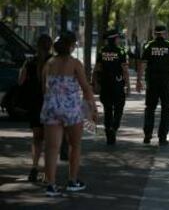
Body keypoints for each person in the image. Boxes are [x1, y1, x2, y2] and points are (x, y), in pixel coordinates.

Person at [40, 32, 97, 197]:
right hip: (71, 109)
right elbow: (86, 88)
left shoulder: (48, 63)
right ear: (71, 46)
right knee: (75, 145)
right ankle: (72, 181)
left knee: (51, 148)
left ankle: (50, 185)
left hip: (51, 108)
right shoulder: (75, 64)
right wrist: (92, 108)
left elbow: (45, 88)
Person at [136, 25, 169, 146]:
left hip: (152, 82)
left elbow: (142, 64)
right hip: (166, 81)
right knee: (166, 109)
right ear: (165, 33)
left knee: (150, 108)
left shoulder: (148, 45)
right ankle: (162, 138)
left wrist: (139, 80)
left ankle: (147, 135)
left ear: (154, 34)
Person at [19, 34, 53, 182]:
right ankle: (46, 173)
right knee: (50, 141)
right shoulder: (53, 61)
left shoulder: (30, 62)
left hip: (34, 104)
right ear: (50, 46)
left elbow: (20, 82)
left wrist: (24, 66)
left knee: (37, 139)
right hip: (49, 104)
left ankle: (34, 168)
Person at [93, 29, 130, 145]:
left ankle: (108, 130)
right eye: (118, 38)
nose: (119, 39)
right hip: (117, 85)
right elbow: (124, 70)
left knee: (107, 109)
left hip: (105, 84)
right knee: (119, 108)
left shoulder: (102, 51)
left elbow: (97, 68)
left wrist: (94, 82)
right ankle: (114, 127)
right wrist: (128, 85)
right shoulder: (121, 51)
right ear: (114, 39)